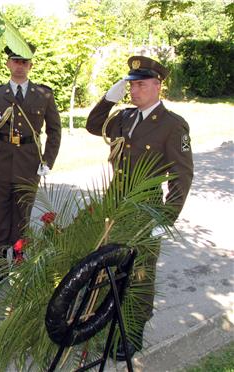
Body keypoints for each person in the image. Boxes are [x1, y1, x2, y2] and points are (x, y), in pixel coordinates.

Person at [86, 56, 194, 360]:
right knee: (110, 268)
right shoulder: (125, 117)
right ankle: (109, 322)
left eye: (141, 84)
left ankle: (132, 333)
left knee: (139, 274)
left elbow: (182, 176)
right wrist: (109, 98)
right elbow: (93, 125)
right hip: (115, 204)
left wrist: (166, 218)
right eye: (131, 84)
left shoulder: (173, 125)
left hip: (145, 210)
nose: (134, 90)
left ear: (158, 86)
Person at [0, 44, 61, 283]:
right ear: (8, 64)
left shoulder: (43, 94)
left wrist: (48, 160)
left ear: (30, 65)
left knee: (23, 213)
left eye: (24, 62)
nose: (20, 66)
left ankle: (20, 257)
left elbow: (55, 130)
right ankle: (2, 261)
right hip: (1, 161)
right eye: (16, 61)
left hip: (30, 161)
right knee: (1, 213)